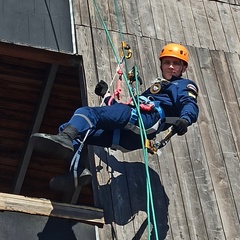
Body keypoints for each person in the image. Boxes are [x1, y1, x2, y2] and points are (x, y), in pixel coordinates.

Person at [30, 43, 199, 190]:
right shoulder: (159, 87)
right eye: (167, 62)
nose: (170, 66)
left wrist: (185, 119)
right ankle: (77, 172)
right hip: (130, 137)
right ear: (161, 65)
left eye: (176, 64)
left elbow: (189, 103)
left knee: (85, 113)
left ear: (183, 68)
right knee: (77, 130)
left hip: (147, 119)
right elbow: (119, 112)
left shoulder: (182, 85)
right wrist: (106, 96)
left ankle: (65, 137)